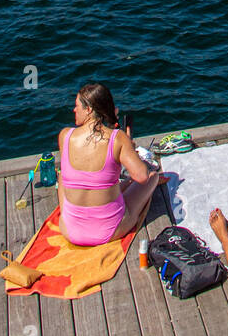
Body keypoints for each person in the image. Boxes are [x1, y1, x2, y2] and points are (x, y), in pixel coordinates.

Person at [57, 81, 164, 246]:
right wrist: (129, 146)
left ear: (89, 109)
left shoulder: (65, 135)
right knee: (153, 177)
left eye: (76, 105)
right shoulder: (117, 138)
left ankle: (69, 214)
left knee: (62, 176)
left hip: (70, 231)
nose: (74, 110)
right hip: (109, 230)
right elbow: (141, 176)